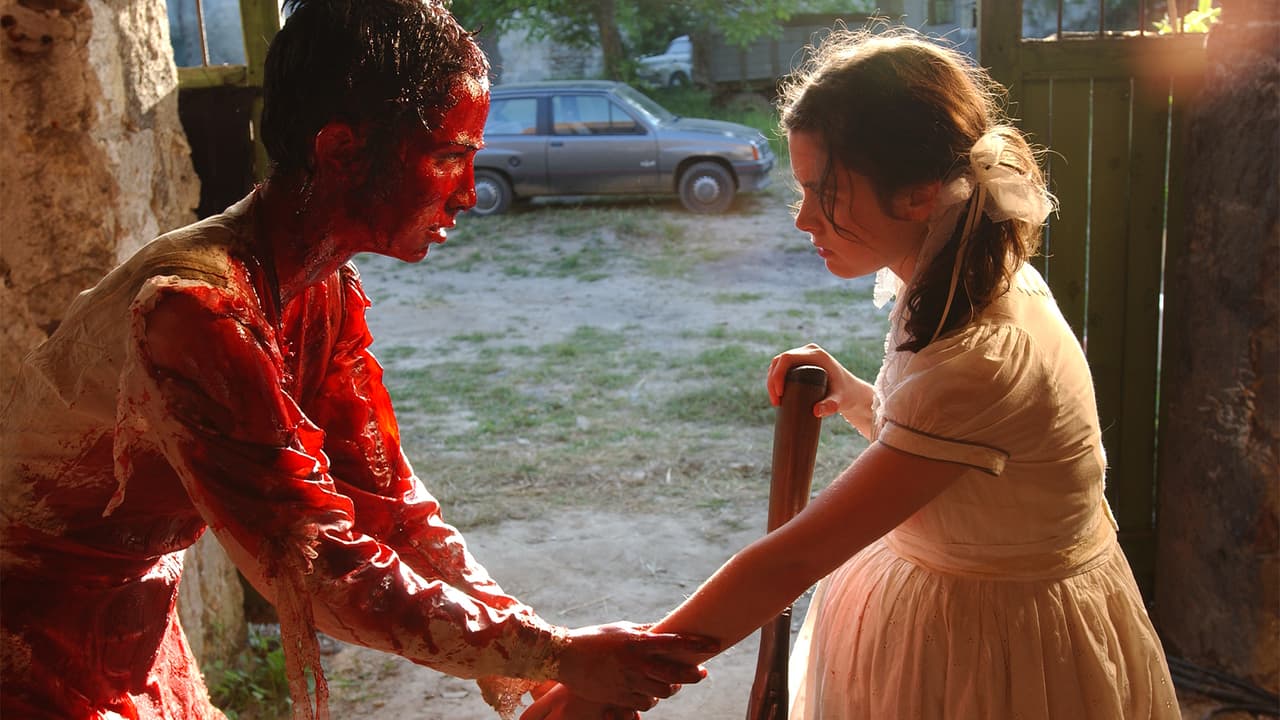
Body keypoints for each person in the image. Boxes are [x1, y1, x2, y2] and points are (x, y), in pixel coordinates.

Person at [0, 1, 713, 718]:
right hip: (23, 630)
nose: (469, 194)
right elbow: (313, 563)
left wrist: (537, 659)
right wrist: (552, 653)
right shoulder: (195, 313)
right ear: (341, 150)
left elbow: (389, 505)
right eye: (448, 158)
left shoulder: (321, 285)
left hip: (125, 620)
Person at [523, 26, 1179, 720]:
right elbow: (957, 460)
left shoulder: (981, 354)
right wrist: (857, 395)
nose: (802, 218)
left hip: (997, 649)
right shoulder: (961, 278)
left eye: (824, 192)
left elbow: (788, 563)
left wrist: (612, 680)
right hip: (948, 606)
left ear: (920, 195)